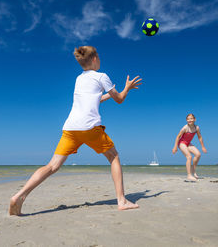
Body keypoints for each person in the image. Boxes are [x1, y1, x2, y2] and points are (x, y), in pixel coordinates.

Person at [9, 46, 142, 215]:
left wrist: (108, 93)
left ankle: (19, 196)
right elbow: (120, 100)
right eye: (99, 57)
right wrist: (127, 88)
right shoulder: (102, 76)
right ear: (94, 59)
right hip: (90, 127)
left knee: (52, 165)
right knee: (114, 156)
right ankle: (122, 201)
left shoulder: (79, 79)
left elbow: (95, 99)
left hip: (71, 127)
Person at [172, 113, 207, 182]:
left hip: (188, 143)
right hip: (182, 143)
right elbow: (178, 137)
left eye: (191, 118)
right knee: (189, 157)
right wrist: (175, 147)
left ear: (194, 119)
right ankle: (189, 175)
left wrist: (203, 147)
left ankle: (193, 170)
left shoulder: (196, 127)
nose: (189, 120)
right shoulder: (185, 128)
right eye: (188, 119)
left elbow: (199, 137)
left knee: (198, 154)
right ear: (186, 120)